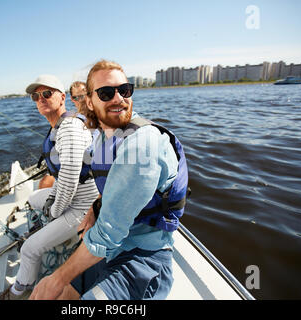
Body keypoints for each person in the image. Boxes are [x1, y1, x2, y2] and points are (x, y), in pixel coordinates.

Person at [29, 60, 189, 300]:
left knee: (61, 288)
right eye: (106, 93)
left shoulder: (142, 145)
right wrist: (94, 208)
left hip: (143, 258)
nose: (118, 98)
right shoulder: (105, 138)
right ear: (90, 101)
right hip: (113, 250)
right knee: (62, 295)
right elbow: (109, 188)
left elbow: (108, 233)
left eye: (124, 90)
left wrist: (57, 278)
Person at [0, 74, 99, 299]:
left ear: (62, 98)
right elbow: (63, 181)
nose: (41, 99)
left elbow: (68, 180)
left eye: (47, 93)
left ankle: (20, 290)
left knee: (30, 248)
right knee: (33, 199)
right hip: (72, 197)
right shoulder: (57, 127)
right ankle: (46, 233)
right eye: (35, 96)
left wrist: (54, 212)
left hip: (83, 206)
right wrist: (50, 203)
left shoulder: (68, 128)